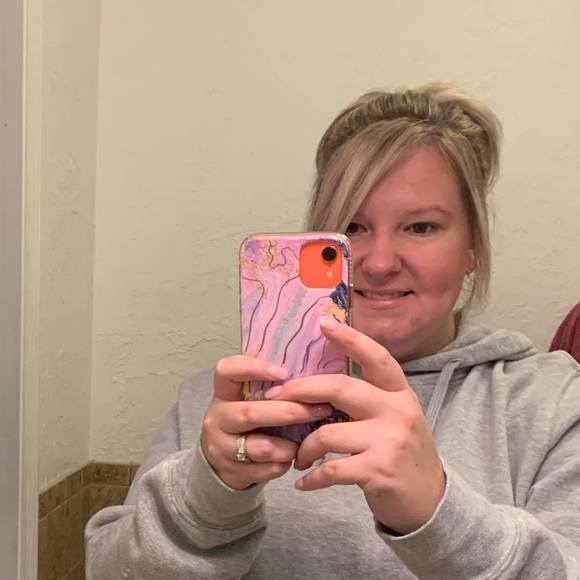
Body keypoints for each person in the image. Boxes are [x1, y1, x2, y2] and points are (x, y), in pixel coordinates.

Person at [85, 84, 580, 579]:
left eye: (421, 227)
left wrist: (439, 513)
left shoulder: (553, 405)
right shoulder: (227, 405)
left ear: (472, 248)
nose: (380, 263)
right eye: (352, 226)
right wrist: (205, 499)